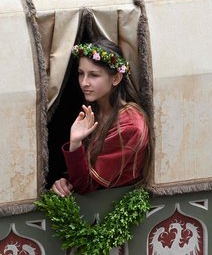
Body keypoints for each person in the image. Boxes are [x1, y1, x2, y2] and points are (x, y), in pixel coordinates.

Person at [51, 39, 150, 197]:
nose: (84, 83)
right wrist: (64, 183)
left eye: (94, 75)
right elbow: (81, 176)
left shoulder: (129, 126)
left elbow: (87, 186)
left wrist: (75, 143)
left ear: (116, 78)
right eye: (81, 73)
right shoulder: (93, 111)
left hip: (112, 207)